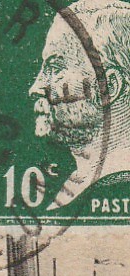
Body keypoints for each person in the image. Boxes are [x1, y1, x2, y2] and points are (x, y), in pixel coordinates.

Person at [29, 0, 130, 212]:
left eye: (55, 67)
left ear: (108, 87)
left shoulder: (115, 186)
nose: (36, 88)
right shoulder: (76, 188)